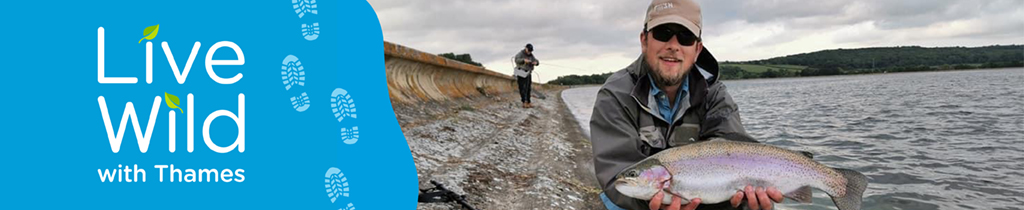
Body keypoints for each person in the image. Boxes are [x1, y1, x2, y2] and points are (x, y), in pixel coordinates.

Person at [590, 0, 785, 209]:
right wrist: (651, 204)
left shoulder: (715, 94)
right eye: (663, 33)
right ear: (644, 40)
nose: (673, 45)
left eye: (685, 37)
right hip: (642, 203)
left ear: (697, 49)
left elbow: (734, 148)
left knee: (750, 204)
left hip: (704, 197)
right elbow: (615, 175)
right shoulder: (616, 95)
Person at [514, 43, 539, 108]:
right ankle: (524, 102)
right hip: (521, 73)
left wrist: (536, 63)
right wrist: (524, 60)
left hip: (528, 73)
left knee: (528, 88)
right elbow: (516, 60)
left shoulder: (531, 55)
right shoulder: (520, 53)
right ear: (526, 48)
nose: (529, 52)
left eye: (531, 51)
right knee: (522, 88)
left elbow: (536, 61)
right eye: (529, 50)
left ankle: (528, 102)